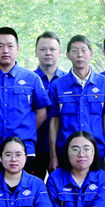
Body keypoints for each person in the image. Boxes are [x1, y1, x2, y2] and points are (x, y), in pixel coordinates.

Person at [0, 27, 51, 176]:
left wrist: (26, 130)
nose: (5, 50)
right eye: (0, 46)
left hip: (23, 153)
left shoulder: (32, 79)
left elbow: (42, 113)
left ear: (17, 49)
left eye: (10, 46)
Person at [47, 35, 105, 174]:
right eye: (75, 51)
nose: (79, 55)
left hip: (97, 151)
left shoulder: (104, 84)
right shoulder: (57, 85)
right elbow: (54, 122)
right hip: (66, 152)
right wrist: (53, 156)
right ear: (68, 55)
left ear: (91, 54)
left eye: (84, 50)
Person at [32, 31, 66, 180]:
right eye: (43, 49)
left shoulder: (68, 81)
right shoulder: (29, 80)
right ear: (35, 52)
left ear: (60, 52)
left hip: (63, 147)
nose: (48, 53)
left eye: (52, 49)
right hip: (34, 147)